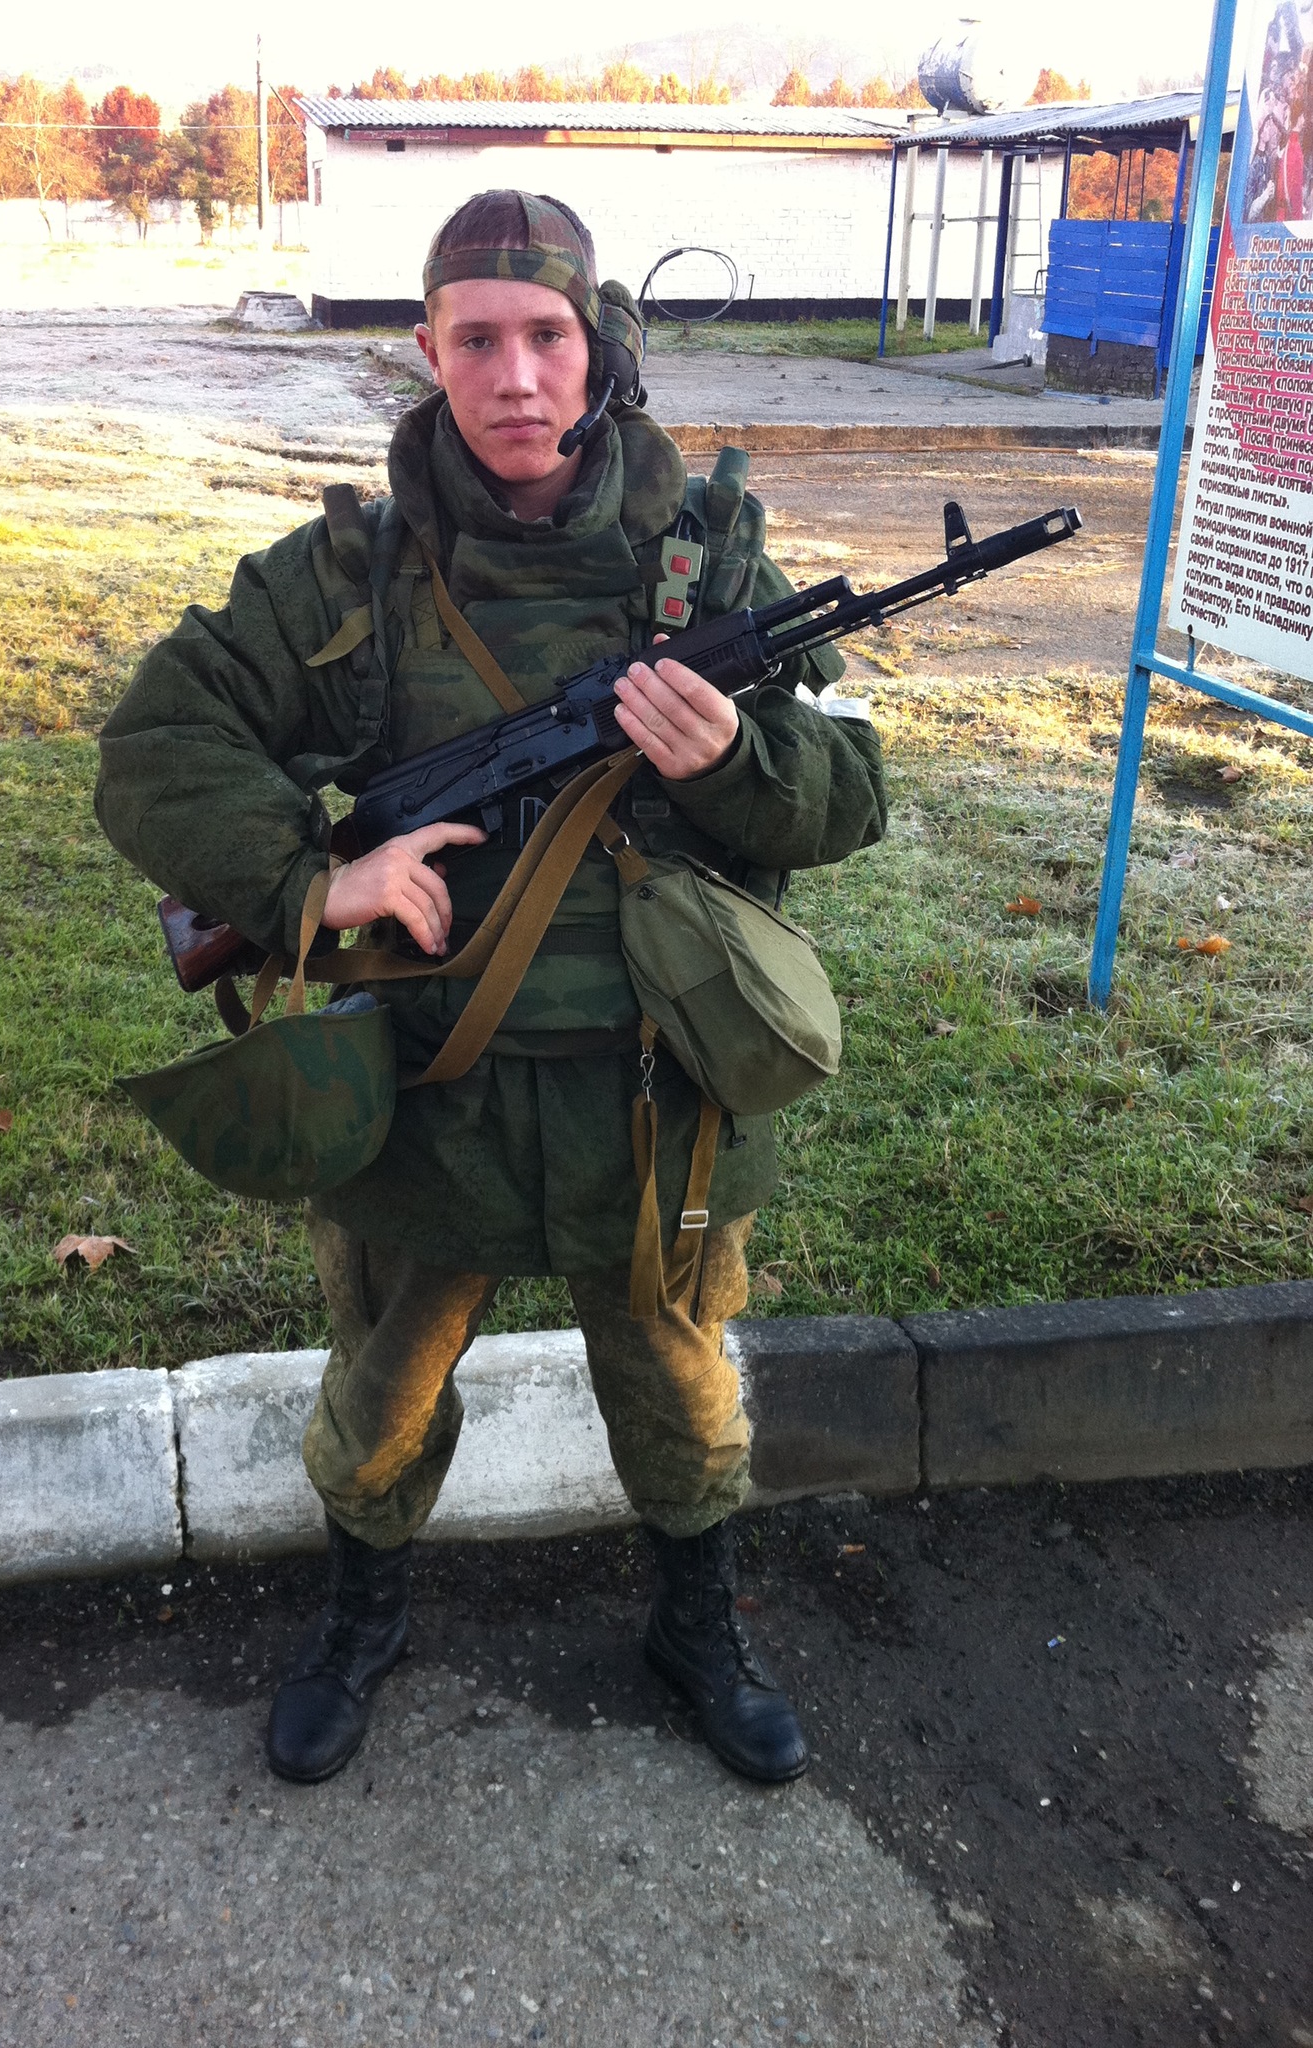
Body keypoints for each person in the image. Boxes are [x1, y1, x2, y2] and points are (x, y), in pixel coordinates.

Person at [95, 191, 886, 1788]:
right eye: (477, 341)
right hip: (427, 1084)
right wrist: (310, 885)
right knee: (382, 1394)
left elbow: (849, 796)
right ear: (425, 350)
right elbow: (158, 742)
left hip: (655, 1088)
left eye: (546, 336)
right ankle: (361, 1620)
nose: (515, 376)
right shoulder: (348, 576)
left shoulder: (708, 561)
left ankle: (696, 1626)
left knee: (679, 1386)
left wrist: (733, 762)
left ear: (597, 346)